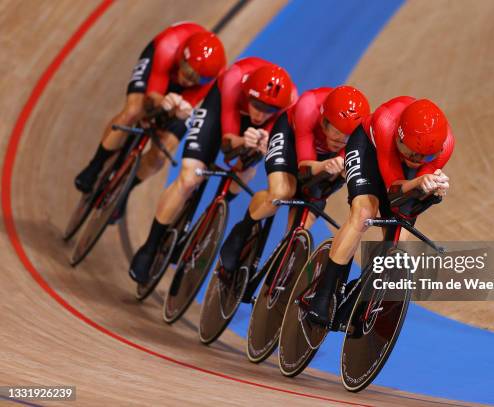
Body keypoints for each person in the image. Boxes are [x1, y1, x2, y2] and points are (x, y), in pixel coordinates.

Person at [129, 58, 297, 284]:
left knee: (247, 169)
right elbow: (227, 143)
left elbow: (269, 143)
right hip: (220, 111)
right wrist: (241, 141)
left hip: (253, 134)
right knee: (189, 179)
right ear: (248, 93)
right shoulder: (233, 80)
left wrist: (262, 143)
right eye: (257, 105)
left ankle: (214, 213)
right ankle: (150, 247)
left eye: (269, 110)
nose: (260, 114)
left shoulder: (288, 105)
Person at [306, 97, 455, 325]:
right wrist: (418, 183)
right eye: (413, 153)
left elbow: (404, 205)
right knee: (364, 212)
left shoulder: (444, 146)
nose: (417, 161)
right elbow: (393, 190)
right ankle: (323, 294)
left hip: (400, 168)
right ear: (400, 136)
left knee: (398, 239)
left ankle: (361, 293)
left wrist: (432, 190)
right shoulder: (386, 122)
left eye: (425, 157)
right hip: (369, 150)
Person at [74, 22, 226, 221]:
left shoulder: (213, 76)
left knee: (162, 151)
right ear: (182, 58)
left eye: (198, 79)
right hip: (159, 70)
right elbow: (152, 97)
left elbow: (189, 102)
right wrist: (160, 103)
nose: (189, 81)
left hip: (183, 97)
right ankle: (95, 165)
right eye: (188, 73)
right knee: (134, 110)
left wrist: (178, 110)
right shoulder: (168, 45)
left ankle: (125, 190)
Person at [218, 86, 370, 274]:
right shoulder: (308, 106)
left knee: (302, 226)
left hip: (325, 159)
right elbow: (305, 168)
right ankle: (241, 232)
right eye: (338, 132)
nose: (342, 140)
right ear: (324, 121)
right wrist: (324, 166)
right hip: (290, 139)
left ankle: (278, 269)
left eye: (349, 136)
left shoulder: (358, 137)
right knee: (281, 192)